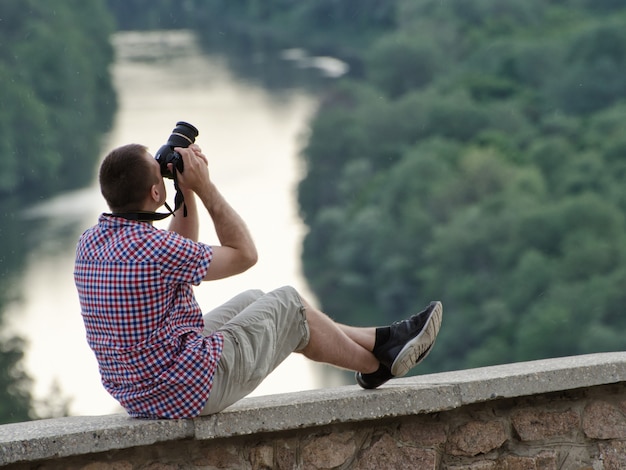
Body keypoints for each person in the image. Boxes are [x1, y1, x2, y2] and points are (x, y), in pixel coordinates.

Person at [74, 142, 443, 419]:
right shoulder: (154, 248)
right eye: (160, 177)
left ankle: (385, 342)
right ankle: (376, 364)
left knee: (255, 299)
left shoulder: (89, 243)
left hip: (141, 391)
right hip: (188, 390)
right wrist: (204, 187)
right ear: (156, 193)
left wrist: (183, 191)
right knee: (287, 303)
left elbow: (179, 252)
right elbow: (245, 255)